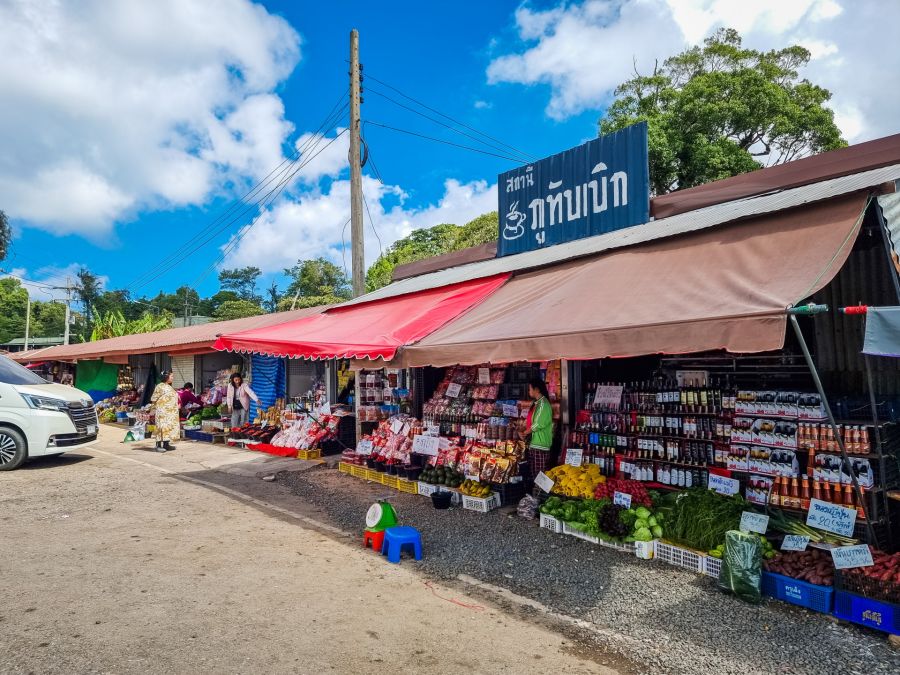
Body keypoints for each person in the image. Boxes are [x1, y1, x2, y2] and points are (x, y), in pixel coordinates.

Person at [523, 377, 554, 481]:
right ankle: (536, 496)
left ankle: (541, 496)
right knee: (534, 474)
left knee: (539, 476)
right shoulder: (537, 403)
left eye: (530, 389)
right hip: (535, 444)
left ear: (537, 389)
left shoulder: (543, 404)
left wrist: (525, 432)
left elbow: (538, 424)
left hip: (540, 445)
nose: (529, 391)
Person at [150, 370, 180, 452]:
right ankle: (158, 445)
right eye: (171, 376)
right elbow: (154, 399)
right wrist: (152, 410)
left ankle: (166, 444)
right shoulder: (159, 386)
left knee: (168, 428)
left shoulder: (169, 386)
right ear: (166, 377)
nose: (173, 378)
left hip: (170, 413)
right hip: (162, 412)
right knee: (161, 428)